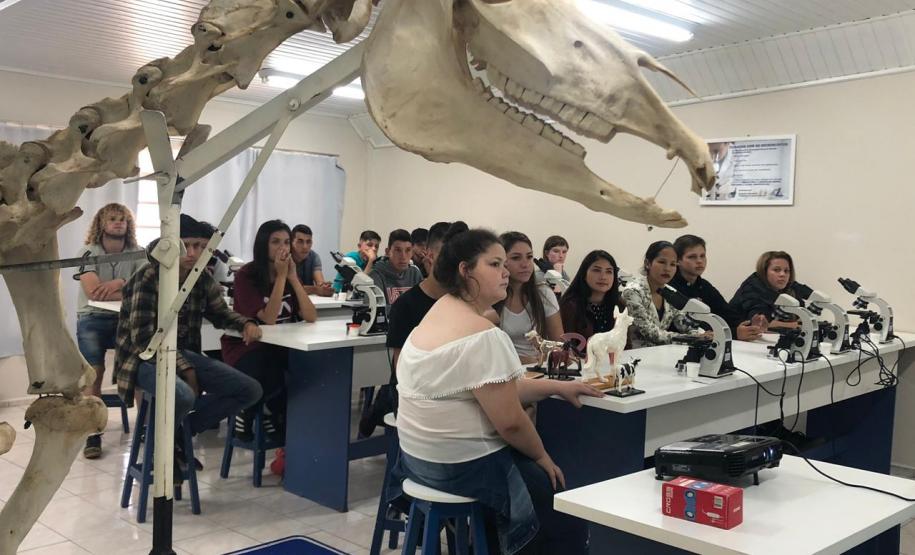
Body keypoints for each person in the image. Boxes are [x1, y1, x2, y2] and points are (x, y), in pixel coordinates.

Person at [392, 226, 601, 555]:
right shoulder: (482, 334)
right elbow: (511, 423)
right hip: (460, 466)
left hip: (417, 460)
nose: (506, 272)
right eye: (495, 264)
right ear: (465, 270)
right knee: (562, 504)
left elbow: (502, 389)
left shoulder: (439, 311)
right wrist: (542, 458)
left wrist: (557, 387)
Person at [114, 215, 263, 470]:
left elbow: (220, 313)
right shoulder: (149, 276)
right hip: (142, 359)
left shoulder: (200, 277)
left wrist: (246, 323)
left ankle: (177, 438)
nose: (193, 253)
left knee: (250, 390)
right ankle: (164, 450)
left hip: (183, 354)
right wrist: (187, 368)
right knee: (182, 395)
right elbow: (143, 339)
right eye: (187, 245)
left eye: (200, 246)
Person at [358, 221, 463, 438]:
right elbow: (404, 372)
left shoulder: (462, 301)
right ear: (430, 255)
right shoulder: (406, 305)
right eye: (449, 256)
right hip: (418, 399)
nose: (458, 265)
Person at [222, 220, 318, 442]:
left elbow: (311, 315)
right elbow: (270, 318)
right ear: (263, 244)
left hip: (280, 346)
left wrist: (292, 278)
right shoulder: (246, 275)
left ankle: (270, 410)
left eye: (286, 242)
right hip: (247, 347)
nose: (282, 248)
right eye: (275, 242)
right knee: (274, 371)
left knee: (306, 369)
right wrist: (281, 277)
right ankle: (253, 408)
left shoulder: (289, 273)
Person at [76, 203, 146, 459]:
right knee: (94, 374)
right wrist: (128, 288)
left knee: (138, 369)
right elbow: (93, 293)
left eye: (122, 219)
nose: (118, 223)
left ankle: (145, 428)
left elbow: (145, 289)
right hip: (92, 317)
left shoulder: (139, 253)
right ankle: (92, 433)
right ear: (101, 224)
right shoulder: (88, 252)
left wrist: (119, 282)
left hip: (126, 318)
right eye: (112, 219)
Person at [670, 235, 766, 341]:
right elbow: (689, 327)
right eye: (692, 257)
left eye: (702, 256)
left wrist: (750, 325)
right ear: (677, 260)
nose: (699, 261)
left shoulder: (704, 286)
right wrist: (735, 333)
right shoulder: (670, 287)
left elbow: (726, 314)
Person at [497, 232, 563, 363]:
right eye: (516, 258)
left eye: (529, 257)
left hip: (538, 368)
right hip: (504, 368)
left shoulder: (543, 293)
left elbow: (559, 345)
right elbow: (488, 353)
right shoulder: (491, 297)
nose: (525, 264)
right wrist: (524, 360)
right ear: (501, 262)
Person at [620, 241, 701, 348]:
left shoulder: (670, 292)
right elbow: (649, 332)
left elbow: (683, 323)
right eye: (662, 262)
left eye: (673, 264)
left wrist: (701, 335)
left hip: (661, 352)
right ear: (647, 263)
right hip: (635, 353)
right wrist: (692, 339)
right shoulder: (632, 292)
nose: (667, 268)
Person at [729, 251, 801, 330]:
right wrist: (792, 325)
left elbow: (801, 312)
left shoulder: (789, 288)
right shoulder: (753, 288)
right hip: (736, 335)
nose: (782, 274)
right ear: (764, 271)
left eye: (786, 271)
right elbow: (759, 321)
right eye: (776, 270)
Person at [558, 250, 620, 339]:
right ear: (584, 273)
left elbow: (626, 343)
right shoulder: (570, 306)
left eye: (609, 271)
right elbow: (566, 343)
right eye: (596, 270)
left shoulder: (619, 305)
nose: (603, 277)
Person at [368, 229, 423, 305]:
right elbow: (377, 309)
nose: (403, 256)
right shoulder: (376, 275)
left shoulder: (415, 273)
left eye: (408, 250)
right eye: (398, 250)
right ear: (388, 252)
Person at [291, 224, 333, 296]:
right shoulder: (286, 257)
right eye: (300, 241)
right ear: (291, 242)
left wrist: (324, 287)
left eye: (308, 242)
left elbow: (320, 283)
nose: (305, 246)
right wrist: (316, 289)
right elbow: (290, 289)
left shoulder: (314, 257)